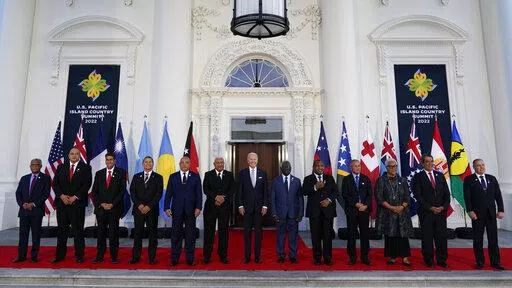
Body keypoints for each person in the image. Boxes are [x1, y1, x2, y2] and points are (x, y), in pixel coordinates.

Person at [52, 147, 92, 263]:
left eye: (76, 154)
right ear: (68, 155)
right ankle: (60, 255)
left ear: (80, 155)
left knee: (78, 231)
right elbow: (55, 184)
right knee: (62, 231)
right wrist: (62, 196)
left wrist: (75, 197)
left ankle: (79, 255)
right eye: (72, 154)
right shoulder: (61, 167)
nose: (74, 156)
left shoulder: (86, 168)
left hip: (77, 204)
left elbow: (87, 185)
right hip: (62, 204)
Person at [463, 159, 505, 270]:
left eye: (483, 165)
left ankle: (495, 262)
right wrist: (470, 210)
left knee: (493, 240)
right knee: (478, 240)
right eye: (479, 165)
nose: (482, 167)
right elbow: (467, 197)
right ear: (474, 167)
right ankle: (480, 262)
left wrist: (501, 209)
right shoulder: (469, 179)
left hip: (491, 214)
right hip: (477, 215)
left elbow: (498, 196)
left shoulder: (492, 178)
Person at [412, 154, 450, 268]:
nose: (430, 164)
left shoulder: (440, 175)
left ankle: (441, 259)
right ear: (422, 163)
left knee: (441, 237)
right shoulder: (418, 177)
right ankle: (428, 259)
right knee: (427, 237)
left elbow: (446, 194)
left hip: (441, 212)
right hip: (426, 213)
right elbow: (418, 196)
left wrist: (443, 207)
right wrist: (430, 207)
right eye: (427, 162)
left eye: (431, 161)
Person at [165, 156, 202, 266]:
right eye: (182, 162)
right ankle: (174, 259)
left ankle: (190, 259)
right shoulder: (173, 177)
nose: (184, 164)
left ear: (189, 164)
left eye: (186, 162)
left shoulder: (195, 177)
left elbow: (199, 194)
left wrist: (198, 207)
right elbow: (168, 194)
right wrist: (167, 207)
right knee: (176, 235)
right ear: (179, 164)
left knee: (190, 235)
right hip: (176, 210)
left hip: (191, 211)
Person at [375, 158, 413, 267]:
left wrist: (401, 207)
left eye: (395, 166)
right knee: (390, 235)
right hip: (387, 213)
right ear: (386, 168)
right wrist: (391, 207)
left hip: (402, 213)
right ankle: (392, 257)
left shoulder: (403, 180)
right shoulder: (381, 180)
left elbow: (407, 197)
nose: (393, 168)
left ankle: (405, 258)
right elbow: (379, 197)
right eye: (391, 166)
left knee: (403, 235)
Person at [13, 159, 51, 263]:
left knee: (36, 234)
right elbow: (18, 194)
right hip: (24, 211)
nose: (34, 166)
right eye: (33, 165)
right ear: (30, 166)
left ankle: (34, 256)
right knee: (23, 234)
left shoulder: (45, 178)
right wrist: (23, 204)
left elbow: (46, 194)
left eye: (37, 165)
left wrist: (33, 204)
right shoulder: (24, 178)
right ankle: (21, 256)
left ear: (40, 166)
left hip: (36, 211)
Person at [91, 152, 126, 264]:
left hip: (114, 209)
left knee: (113, 234)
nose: (109, 161)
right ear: (105, 161)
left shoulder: (121, 173)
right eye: (107, 160)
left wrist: (112, 204)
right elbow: (94, 192)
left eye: (111, 159)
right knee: (100, 234)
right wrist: (101, 204)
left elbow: (122, 191)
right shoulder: (99, 173)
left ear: (114, 160)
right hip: (101, 209)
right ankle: (99, 256)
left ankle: (114, 256)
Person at [303, 160, 338, 266]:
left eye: (322, 166)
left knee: (328, 236)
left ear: (324, 167)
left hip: (328, 212)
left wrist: (329, 200)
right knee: (316, 236)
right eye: (317, 166)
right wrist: (315, 187)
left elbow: (335, 192)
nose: (320, 167)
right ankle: (317, 258)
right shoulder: (308, 179)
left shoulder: (330, 178)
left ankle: (328, 258)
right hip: (314, 212)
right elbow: (303, 191)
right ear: (313, 167)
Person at [130, 156, 163, 264]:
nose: (148, 164)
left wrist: (148, 206)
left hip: (152, 210)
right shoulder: (136, 177)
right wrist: (140, 205)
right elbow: (132, 193)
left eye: (150, 162)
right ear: (143, 164)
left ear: (152, 164)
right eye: (146, 162)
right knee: (137, 234)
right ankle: (135, 257)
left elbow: (158, 194)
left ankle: (152, 258)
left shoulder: (158, 177)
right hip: (138, 210)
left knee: (152, 235)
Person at [202, 157, 235, 264]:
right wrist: (216, 197)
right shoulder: (208, 174)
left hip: (224, 208)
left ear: (223, 164)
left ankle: (223, 256)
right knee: (208, 233)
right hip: (210, 208)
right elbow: (206, 189)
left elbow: (233, 189)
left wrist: (223, 197)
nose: (220, 164)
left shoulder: (229, 175)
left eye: (221, 163)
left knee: (224, 233)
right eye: (218, 163)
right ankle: (207, 256)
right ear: (214, 164)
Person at [238, 152, 269, 263]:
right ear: (247, 160)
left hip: (259, 209)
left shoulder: (263, 173)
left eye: (254, 159)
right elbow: (239, 191)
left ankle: (257, 256)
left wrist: (265, 205)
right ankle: (246, 257)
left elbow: (266, 191)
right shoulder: (242, 173)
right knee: (247, 234)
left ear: (257, 160)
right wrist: (240, 205)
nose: (252, 161)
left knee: (258, 234)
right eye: (250, 159)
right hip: (246, 209)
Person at [271, 160, 304, 263]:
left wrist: (300, 213)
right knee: (280, 235)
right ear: (281, 169)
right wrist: (274, 213)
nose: (287, 169)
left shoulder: (297, 181)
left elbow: (300, 199)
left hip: (293, 214)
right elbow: (272, 198)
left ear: (291, 168)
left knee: (293, 236)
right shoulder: (276, 181)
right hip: (280, 214)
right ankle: (281, 255)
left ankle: (292, 255)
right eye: (285, 168)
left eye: (289, 168)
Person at [341, 159, 372, 265]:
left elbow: (369, 194)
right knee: (351, 234)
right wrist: (356, 204)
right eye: (355, 166)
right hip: (352, 210)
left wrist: (366, 205)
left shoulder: (366, 178)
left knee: (365, 234)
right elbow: (345, 195)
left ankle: (365, 256)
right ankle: (352, 256)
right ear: (351, 167)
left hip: (364, 210)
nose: (358, 167)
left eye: (359, 166)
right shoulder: (346, 179)